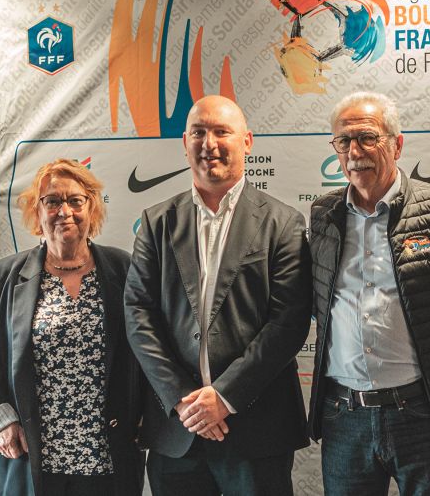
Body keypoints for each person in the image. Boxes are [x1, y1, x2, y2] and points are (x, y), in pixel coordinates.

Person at [124, 95, 311, 496]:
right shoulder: (156, 222)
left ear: (247, 141)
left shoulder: (283, 223)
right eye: (198, 132)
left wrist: (224, 397)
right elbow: (139, 315)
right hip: (178, 431)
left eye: (222, 131)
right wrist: (183, 400)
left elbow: (288, 322)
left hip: (257, 431)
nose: (209, 143)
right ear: (185, 142)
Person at [307, 91, 430, 495]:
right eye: (344, 141)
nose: (355, 152)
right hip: (344, 418)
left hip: (425, 414)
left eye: (367, 138)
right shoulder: (323, 216)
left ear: (397, 144)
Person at [0, 159, 145, 496]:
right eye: (52, 201)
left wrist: (147, 419)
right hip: (31, 457)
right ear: (37, 212)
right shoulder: (4, 276)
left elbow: (146, 349)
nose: (64, 211)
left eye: (75, 200)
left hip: (107, 457)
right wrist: (1, 422)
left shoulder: (124, 269)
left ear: (91, 208)